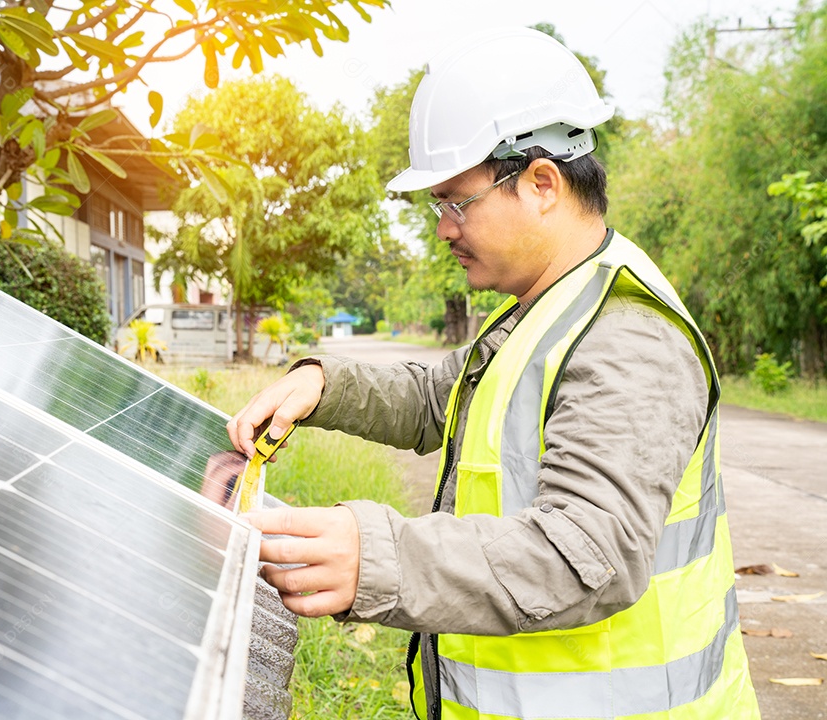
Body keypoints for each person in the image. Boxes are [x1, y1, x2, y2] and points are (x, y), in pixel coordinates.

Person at [226, 26, 760, 720]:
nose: (443, 228)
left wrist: (379, 558)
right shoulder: (545, 307)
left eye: (457, 202)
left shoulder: (629, 338)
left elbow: (587, 554)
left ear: (541, 184)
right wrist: (324, 383)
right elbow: (439, 398)